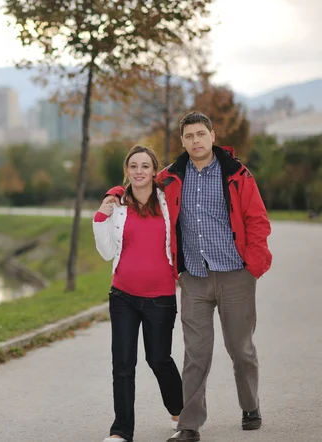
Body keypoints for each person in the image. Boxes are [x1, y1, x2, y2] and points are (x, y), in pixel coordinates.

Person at [103, 111, 272, 442]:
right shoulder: (170, 177)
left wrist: (255, 265)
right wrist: (112, 194)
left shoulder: (237, 173)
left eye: (201, 134)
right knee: (195, 353)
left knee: (240, 349)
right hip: (193, 278)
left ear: (212, 135)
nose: (195, 141)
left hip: (235, 274)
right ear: (182, 141)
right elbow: (138, 183)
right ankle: (189, 425)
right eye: (189, 136)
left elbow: (257, 219)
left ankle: (250, 405)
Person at [93, 145, 183, 442]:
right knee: (122, 363)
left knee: (159, 359)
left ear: (154, 171)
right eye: (134, 166)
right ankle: (121, 431)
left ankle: (180, 412)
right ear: (127, 170)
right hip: (123, 296)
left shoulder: (167, 201)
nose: (140, 171)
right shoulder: (118, 205)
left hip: (160, 297)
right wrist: (101, 218)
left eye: (145, 166)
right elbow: (107, 252)